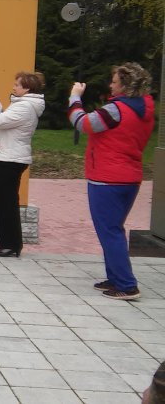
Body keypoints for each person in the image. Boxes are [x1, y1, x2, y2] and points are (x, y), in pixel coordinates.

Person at [69, 62, 154, 301]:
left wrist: (75, 97)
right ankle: (115, 278)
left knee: (110, 231)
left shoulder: (116, 109)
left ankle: (126, 285)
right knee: (113, 228)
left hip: (107, 178)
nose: (110, 85)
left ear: (125, 86)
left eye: (114, 82)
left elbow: (82, 123)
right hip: (130, 177)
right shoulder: (144, 109)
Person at [0, 71, 45, 257]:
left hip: (10, 160)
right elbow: (5, 118)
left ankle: (9, 245)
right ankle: (12, 244)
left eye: (17, 85)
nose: (14, 87)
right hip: (11, 158)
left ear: (27, 88)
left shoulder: (24, 106)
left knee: (6, 204)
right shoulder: (24, 105)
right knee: (8, 203)